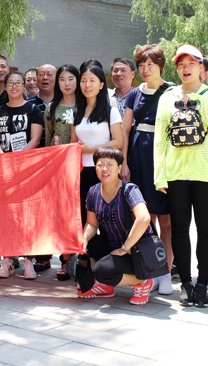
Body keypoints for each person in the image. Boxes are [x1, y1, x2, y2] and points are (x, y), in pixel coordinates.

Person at [154, 44, 208, 308]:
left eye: (191, 64)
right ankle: (185, 284)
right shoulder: (167, 97)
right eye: (181, 64)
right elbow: (160, 138)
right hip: (175, 174)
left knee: (206, 230)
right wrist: (159, 175)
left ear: (201, 68)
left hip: (206, 173)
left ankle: (203, 284)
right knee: (179, 230)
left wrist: (198, 100)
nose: (186, 68)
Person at [121, 45, 175, 295]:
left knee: (166, 219)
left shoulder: (172, 91)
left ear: (160, 65)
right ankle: (150, 271)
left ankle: (167, 272)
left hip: (164, 156)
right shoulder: (134, 93)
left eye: (150, 65)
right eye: (141, 65)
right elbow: (125, 129)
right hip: (138, 155)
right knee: (145, 218)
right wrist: (123, 162)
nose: (145, 69)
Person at [77, 147, 156, 305]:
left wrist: (125, 248)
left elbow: (144, 218)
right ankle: (106, 287)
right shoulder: (93, 192)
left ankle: (142, 281)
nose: (104, 169)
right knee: (84, 252)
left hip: (137, 250)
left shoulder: (129, 189)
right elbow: (91, 224)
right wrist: (83, 239)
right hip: (114, 245)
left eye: (110, 165)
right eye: (100, 165)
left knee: (101, 271)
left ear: (119, 168)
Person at [0, 70, 44, 279]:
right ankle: (7, 261)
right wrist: (5, 159)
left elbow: (35, 139)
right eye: (10, 83)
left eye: (18, 83)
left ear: (24, 86)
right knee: (6, 215)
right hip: (3, 169)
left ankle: (28, 261)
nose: (14, 86)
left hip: (26, 169)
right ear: (6, 86)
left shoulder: (33, 109)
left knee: (27, 215)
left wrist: (18, 160)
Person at [71, 64, 123, 235]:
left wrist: (92, 149)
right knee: (83, 216)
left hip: (104, 170)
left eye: (92, 81)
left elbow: (118, 141)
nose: (87, 85)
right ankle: (86, 252)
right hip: (81, 171)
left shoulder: (110, 111)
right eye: (83, 81)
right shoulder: (76, 112)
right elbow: (73, 144)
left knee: (106, 218)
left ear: (101, 85)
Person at [43, 64, 79, 279]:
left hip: (80, 165)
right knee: (61, 213)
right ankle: (64, 259)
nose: (67, 83)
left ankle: (79, 257)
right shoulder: (51, 107)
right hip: (57, 167)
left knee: (78, 212)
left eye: (71, 79)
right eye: (63, 79)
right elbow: (48, 139)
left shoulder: (85, 105)